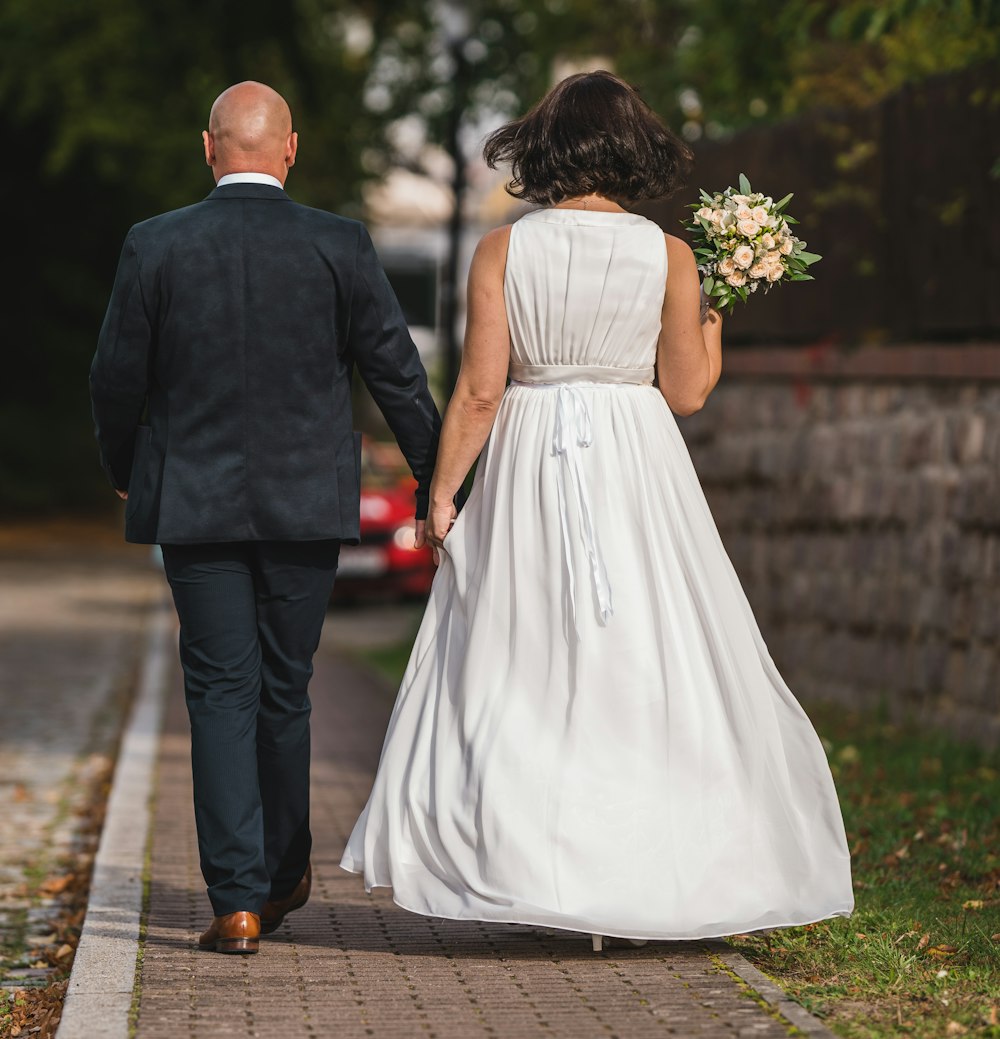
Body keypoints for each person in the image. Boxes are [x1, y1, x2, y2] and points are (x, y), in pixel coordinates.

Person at [341, 71, 854, 948]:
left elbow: (477, 392)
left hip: (535, 457)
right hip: (635, 457)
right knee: (648, 653)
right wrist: (714, 317)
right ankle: (650, 866)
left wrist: (441, 492)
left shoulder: (503, 251)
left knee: (525, 656)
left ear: (545, 149)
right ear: (631, 149)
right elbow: (687, 390)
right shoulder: (669, 254)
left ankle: (532, 866)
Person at [90, 81, 441, 954]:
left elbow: (114, 378)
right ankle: (284, 874)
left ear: (208, 149)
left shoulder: (155, 244)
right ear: (290, 150)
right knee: (287, 687)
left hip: (195, 509)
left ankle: (236, 899)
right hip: (304, 508)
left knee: (217, 691)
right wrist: (440, 483)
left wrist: (127, 469)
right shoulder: (340, 244)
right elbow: (396, 374)